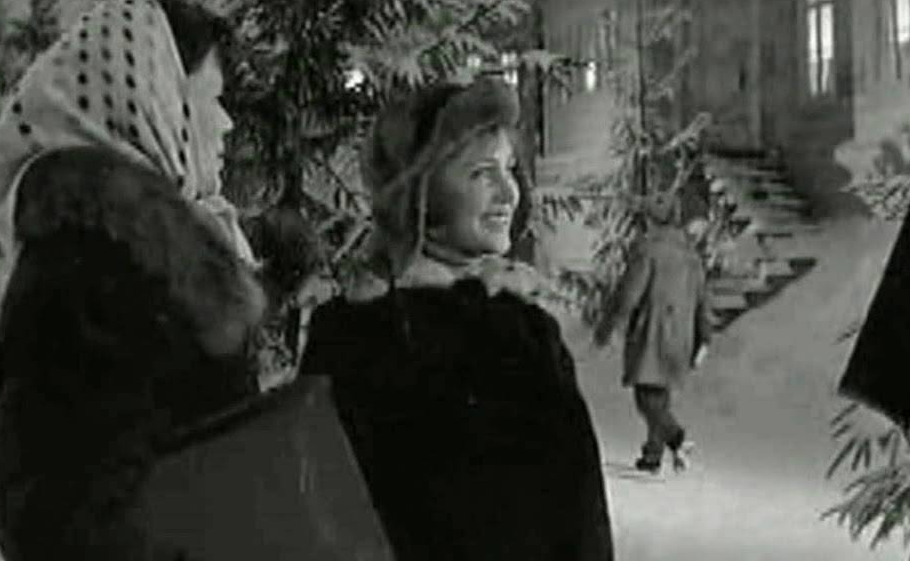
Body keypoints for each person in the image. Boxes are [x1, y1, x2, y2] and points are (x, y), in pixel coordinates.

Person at [0, 0, 269, 560]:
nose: (227, 123)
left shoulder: (135, 257)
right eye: (213, 98)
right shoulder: (95, 263)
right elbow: (29, 494)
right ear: (159, 100)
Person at [298, 76, 614, 561]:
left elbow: (579, 518)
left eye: (509, 169)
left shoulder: (527, 333)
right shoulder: (351, 336)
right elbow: (318, 516)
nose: (508, 192)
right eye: (482, 173)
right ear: (418, 190)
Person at [593, 190, 713, 474]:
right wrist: (704, 336)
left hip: (653, 332)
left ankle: (677, 438)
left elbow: (629, 294)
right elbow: (702, 300)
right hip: (681, 338)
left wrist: (610, 326)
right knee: (660, 393)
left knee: (646, 397)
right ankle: (653, 455)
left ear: (650, 220)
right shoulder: (691, 255)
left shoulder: (648, 250)